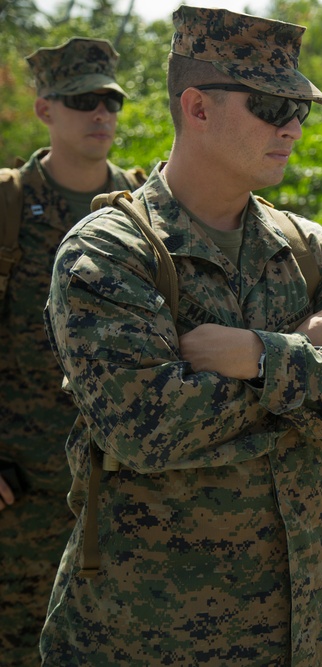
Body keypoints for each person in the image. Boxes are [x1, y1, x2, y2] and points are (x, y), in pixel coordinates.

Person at [41, 6, 322, 665]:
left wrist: (262, 353)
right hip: (150, 641)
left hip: (313, 636)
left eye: (301, 110)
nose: (292, 127)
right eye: (269, 105)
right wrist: (312, 368)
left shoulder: (312, 252)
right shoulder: (110, 253)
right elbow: (147, 427)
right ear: (198, 108)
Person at [0, 37, 145, 665]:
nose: (101, 115)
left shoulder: (146, 208)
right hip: (21, 488)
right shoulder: (6, 206)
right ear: (44, 110)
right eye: (82, 100)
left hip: (124, 488)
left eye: (109, 101)